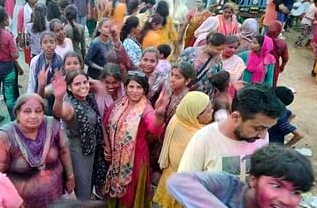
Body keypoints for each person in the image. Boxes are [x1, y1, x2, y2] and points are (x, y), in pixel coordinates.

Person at [178, 84, 284, 181]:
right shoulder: (204, 139)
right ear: (236, 117)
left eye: (268, 128)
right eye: (257, 128)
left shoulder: (261, 136)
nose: (263, 136)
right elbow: (185, 185)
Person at [0, 93, 75, 207]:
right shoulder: (4, 137)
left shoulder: (53, 126)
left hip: (56, 198)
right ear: (17, 114)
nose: (33, 116)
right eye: (27, 111)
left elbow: (64, 151)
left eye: (38, 111)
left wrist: (70, 177)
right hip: (22, 203)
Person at [168, 144, 314, 208]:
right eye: (276, 186)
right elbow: (178, 181)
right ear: (253, 179)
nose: (287, 200)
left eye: (296, 192)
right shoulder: (227, 185)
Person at [103, 71, 166, 208]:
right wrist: (107, 146)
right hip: (115, 157)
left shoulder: (146, 108)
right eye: (131, 87)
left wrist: (159, 115)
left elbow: (154, 128)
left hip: (135, 158)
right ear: (125, 88)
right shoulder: (120, 103)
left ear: (145, 90)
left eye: (139, 87)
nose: (134, 91)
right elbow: (105, 123)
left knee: (130, 193)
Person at [52, 70, 106, 200]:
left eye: (85, 82)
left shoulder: (88, 99)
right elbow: (59, 112)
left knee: (88, 182)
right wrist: (58, 98)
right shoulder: (70, 105)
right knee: (83, 188)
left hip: (90, 151)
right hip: (77, 153)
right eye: (77, 84)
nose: (83, 86)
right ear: (69, 87)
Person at [153, 91, 212, 208]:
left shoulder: (180, 118)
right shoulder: (193, 136)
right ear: (195, 115)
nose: (213, 112)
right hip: (181, 186)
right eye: (209, 111)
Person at [178, 32, 227, 99]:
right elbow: (178, 69)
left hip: (200, 98)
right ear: (210, 44)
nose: (220, 52)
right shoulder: (190, 52)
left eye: (222, 49)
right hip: (181, 92)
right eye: (218, 49)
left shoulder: (218, 62)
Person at [17, 0, 38, 64]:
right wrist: (20, 38)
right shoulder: (22, 10)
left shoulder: (39, 8)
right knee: (29, 56)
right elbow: (19, 24)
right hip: (27, 35)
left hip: (37, 34)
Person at [267, 21, 289, 87]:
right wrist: (282, 66)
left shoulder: (263, 39)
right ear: (279, 31)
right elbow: (285, 58)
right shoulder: (282, 43)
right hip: (274, 66)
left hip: (262, 65)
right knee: (272, 84)